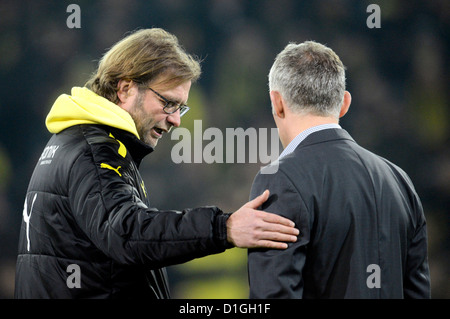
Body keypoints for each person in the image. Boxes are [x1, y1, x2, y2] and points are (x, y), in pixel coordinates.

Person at [14, 28, 299, 299]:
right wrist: (224, 228)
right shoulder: (95, 152)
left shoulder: (76, 141)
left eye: (180, 108)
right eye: (168, 103)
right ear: (126, 89)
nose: (175, 120)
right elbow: (127, 233)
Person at [247, 41, 430, 298]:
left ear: (277, 102)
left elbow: (273, 295)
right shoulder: (399, 180)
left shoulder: (280, 179)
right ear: (344, 103)